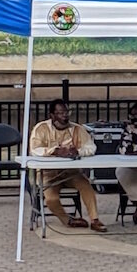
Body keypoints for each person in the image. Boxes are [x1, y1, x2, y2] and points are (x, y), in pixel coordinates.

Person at [29, 99, 107, 232]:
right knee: (51, 199)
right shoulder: (41, 128)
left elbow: (91, 147)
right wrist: (54, 151)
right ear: (52, 115)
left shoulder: (77, 129)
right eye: (60, 113)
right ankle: (68, 220)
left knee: (86, 186)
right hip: (48, 174)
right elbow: (34, 150)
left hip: (71, 172)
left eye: (66, 112)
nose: (65, 115)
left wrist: (78, 151)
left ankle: (95, 220)